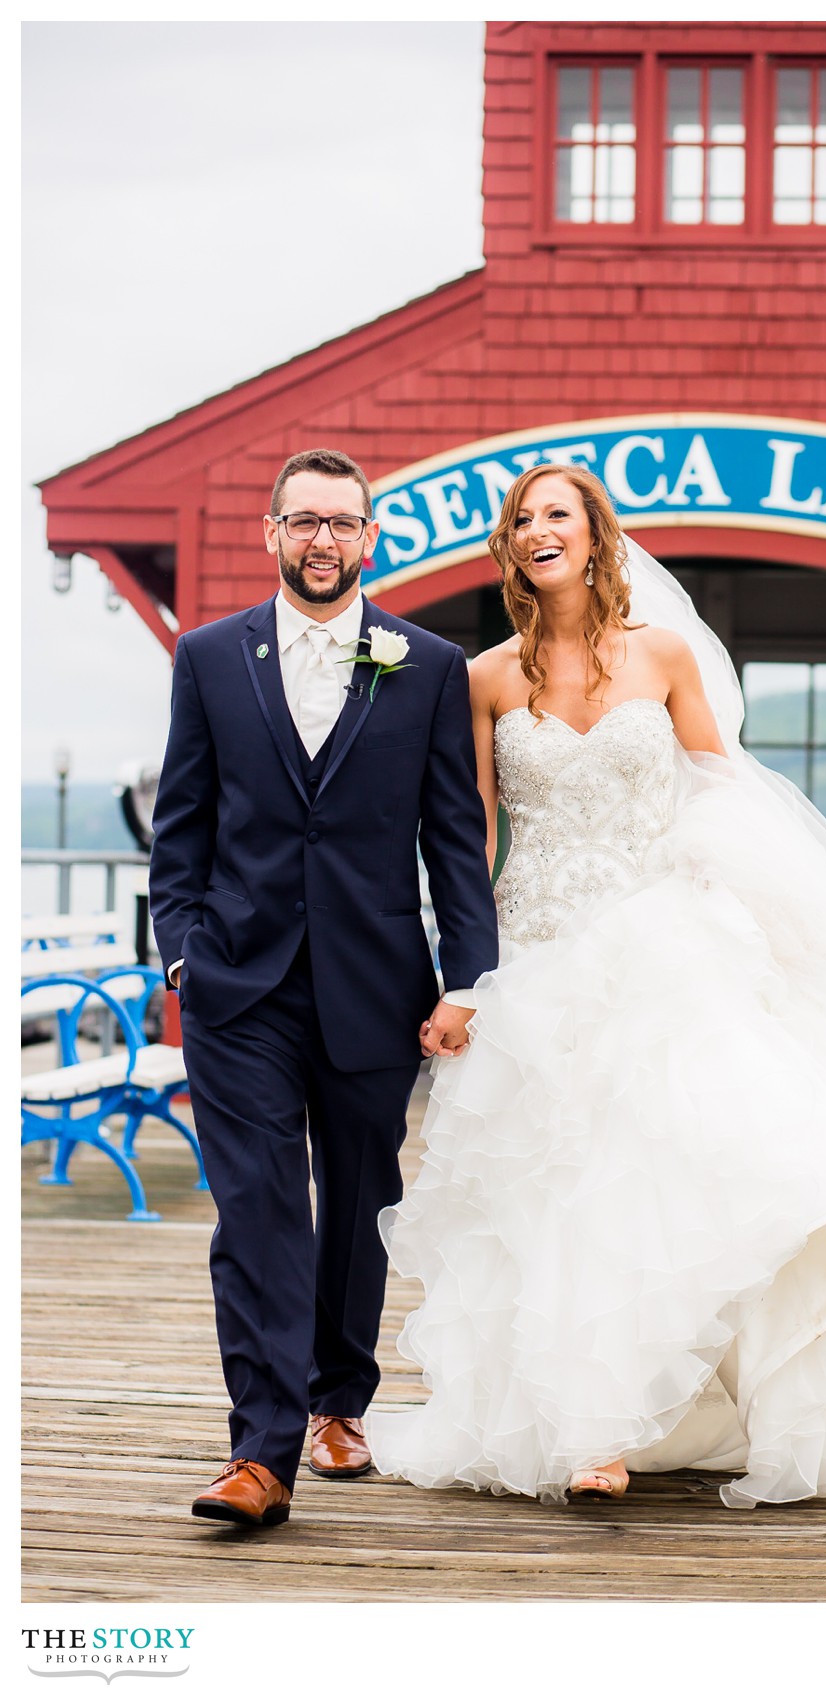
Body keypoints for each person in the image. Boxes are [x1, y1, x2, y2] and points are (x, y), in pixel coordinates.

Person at [366, 464, 826, 1507]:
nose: (537, 529)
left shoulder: (663, 653)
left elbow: (725, 790)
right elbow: (466, 837)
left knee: (664, 1175)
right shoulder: (486, 678)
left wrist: (765, 920)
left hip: (663, 942)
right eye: (522, 518)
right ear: (510, 546)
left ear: (597, 537)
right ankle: (583, 1426)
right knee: (555, 1189)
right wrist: (464, 977)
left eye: (557, 513)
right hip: (542, 952)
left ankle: (662, 1412)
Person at [149, 446, 499, 1527]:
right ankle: (260, 1452)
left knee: (359, 1204)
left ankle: (340, 1398)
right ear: (272, 533)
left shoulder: (427, 664)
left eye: (342, 523)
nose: (322, 540)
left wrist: (469, 978)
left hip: (376, 983)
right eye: (303, 521)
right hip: (238, 986)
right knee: (256, 1208)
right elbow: (182, 826)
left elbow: (454, 835)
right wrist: (182, 955)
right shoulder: (210, 657)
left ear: (370, 539)